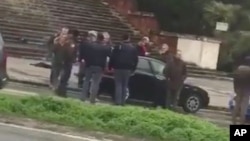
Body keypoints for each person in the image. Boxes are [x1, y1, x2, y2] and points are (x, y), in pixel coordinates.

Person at [81, 33, 111, 104]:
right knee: (96, 83)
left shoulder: (90, 46)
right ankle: (92, 99)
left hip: (89, 65)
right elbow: (109, 56)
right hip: (99, 67)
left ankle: (83, 97)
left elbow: (86, 54)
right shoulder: (105, 48)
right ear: (102, 39)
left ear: (97, 38)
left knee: (86, 81)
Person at [109, 34, 138, 105]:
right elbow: (136, 59)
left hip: (118, 67)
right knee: (125, 85)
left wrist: (110, 66)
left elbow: (112, 57)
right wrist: (133, 68)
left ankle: (117, 101)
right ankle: (123, 101)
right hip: (127, 68)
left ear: (122, 39)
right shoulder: (133, 48)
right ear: (129, 38)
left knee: (118, 84)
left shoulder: (118, 47)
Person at [52, 28, 78, 97]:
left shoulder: (70, 43)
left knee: (64, 77)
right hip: (59, 61)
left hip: (67, 62)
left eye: (66, 34)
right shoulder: (57, 42)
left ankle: (61, 91)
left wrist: (74, 59)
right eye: (63, 34)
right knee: (59, 76)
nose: (64, 36)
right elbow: (54, 50)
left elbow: (72, 52)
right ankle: (58, 89)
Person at [232, 55, 250, 125]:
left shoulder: (239, 68)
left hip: (238, 89)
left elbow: (235, 79)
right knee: (244, 107)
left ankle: (234, 121)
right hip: (247, 90)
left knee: (237, 105)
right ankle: (241, 123)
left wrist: (235, 89)